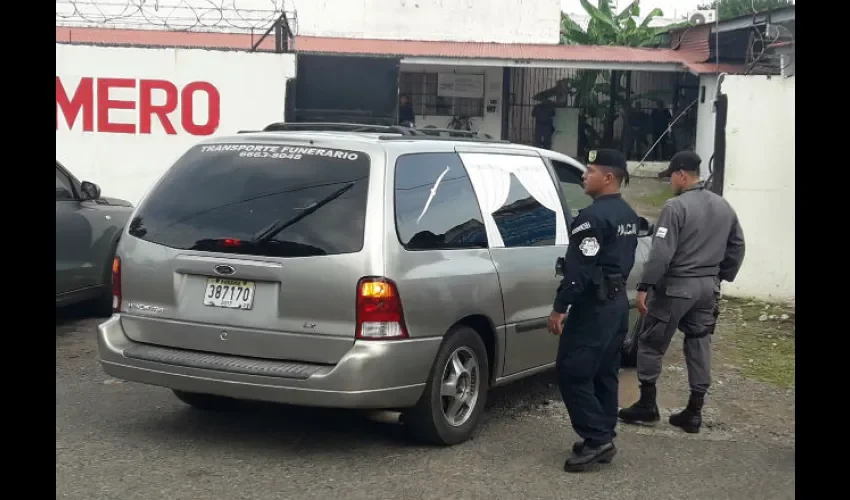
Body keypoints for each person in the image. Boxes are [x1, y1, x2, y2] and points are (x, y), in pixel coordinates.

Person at [618, 151, 746, 434]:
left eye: (671, 177)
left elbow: (661, 253)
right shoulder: (724, 206)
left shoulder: (675, 207)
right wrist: (722, 275)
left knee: (651, 342)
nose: (670, 183)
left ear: (682, 175)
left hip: (676, 287)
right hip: (707, 287)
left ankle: (647, 406)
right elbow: (737, 246)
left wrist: (644, 286)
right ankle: (694, 411)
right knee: (699, 341)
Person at [546, 148, 639, 473]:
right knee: (603, 372)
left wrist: (560, 307)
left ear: (608, 177)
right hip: (616, 305)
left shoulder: (592, 217)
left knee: (573, 370)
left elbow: (580, 270)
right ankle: (603, 433)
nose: (584, 176)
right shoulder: (627, 213)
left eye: (590, 170)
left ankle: (597, 437)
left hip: (594, 308)